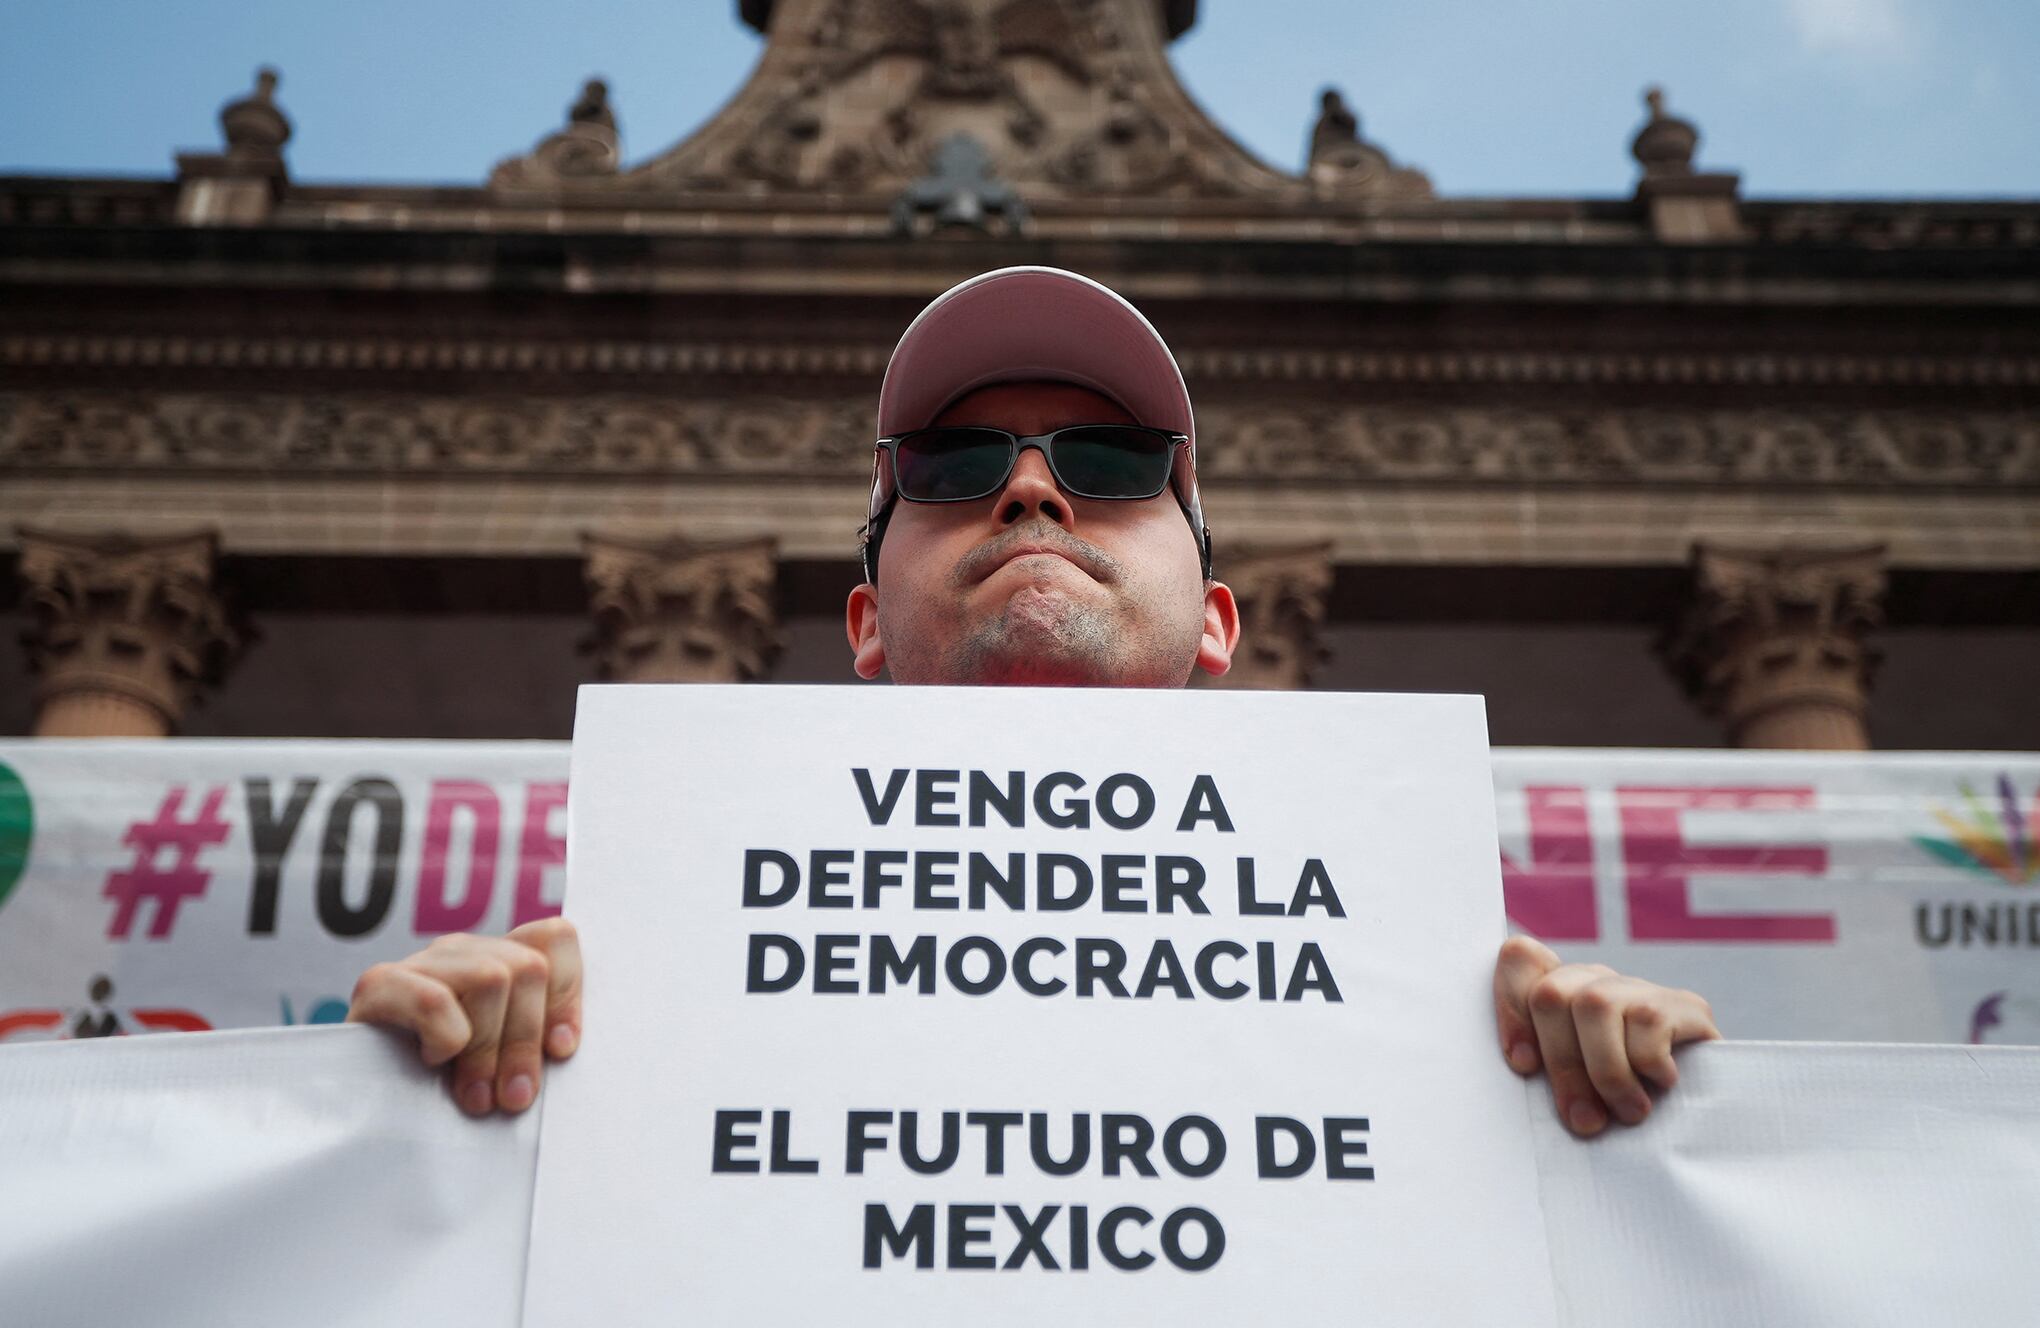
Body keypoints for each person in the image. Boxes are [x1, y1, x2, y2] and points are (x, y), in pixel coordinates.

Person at [348, 267, 1720, 1139]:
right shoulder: (634, 993)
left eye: (1116, 461)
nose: (1030, 489)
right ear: (866, 626)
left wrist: (1623, 1123)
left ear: (1225, 624)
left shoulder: (1449, 1018)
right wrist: (407, 1131)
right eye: (948, 469)